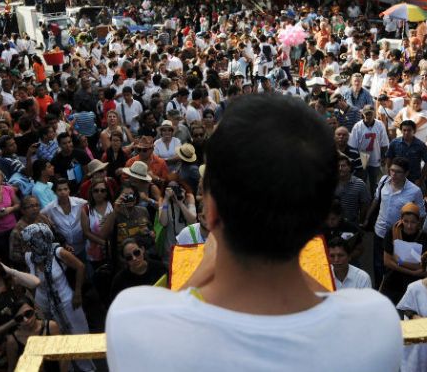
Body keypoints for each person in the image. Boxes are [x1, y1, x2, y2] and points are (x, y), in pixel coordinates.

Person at [106, 94, 403, 371]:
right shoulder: (377, 324)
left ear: (209, 211)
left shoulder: (131, 321)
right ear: (324, 215)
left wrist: (208, 263)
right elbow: (335, 306)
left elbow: (168, 313)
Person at [21, 224, 96, 372]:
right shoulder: (29, 257)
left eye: (30, 241)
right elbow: (31, 280)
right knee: (57, 338)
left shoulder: (58, 251)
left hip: (67, 301)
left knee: (77, 335)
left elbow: (80, 266)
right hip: (44, 305)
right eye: (27, 242)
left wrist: (78, 292)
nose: (28, 245)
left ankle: (87, 368)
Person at [368, 158, 425, 292]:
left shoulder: (415, 191)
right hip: (380, 231)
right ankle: (378, 291)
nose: (393, 174)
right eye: (392, 170)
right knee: (378, 264)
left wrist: (412, 232)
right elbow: (377, 200)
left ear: (406, 173)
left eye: (398, 172)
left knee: (397, 265)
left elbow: (421, 214)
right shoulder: (383, 181)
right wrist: (367, 218)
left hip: (399, 236)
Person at [380, 203, 427, 305]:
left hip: (414, 284)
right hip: (393, 281)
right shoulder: (392, 232)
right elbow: (387, 261)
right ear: (401, 220)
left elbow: (425, 267)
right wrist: (412, 272)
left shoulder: (425, 238)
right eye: (406, 221)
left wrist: (398, 262)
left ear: (419, 221)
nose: (409, 226)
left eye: (413, 222)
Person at [6, 296, 68, 372]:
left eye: (28, 314)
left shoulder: (51, 327)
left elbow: (63, 356)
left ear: (35, 309)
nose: (26, 320)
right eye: (20, 318)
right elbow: (12, 368)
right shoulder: (12, 341)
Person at [109, 238, 167, 305]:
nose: (134, 258)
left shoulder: (158, 267)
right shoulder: (120, 281)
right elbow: (116, 304)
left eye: (136, 253)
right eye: (129, 257)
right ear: (125, 260)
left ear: (142, 249)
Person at [348, 104, 389, 194]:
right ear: (362, 113)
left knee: (374, 182)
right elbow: (353, 145)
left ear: (374, 113)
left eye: (370, 113)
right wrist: (355, 160)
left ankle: (374, 200)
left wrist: (383, 157)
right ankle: (363, 200)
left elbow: (384, 143)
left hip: (375, 156)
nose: (368, 115)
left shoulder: (380, 125)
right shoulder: (357, 126)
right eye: (366, 113)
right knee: (362, 181)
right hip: (362, 157)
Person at [384, 120, 427, 185]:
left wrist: (421, 179)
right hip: (397, 179)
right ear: (401, 131)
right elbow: (389, 159)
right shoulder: (394, 143)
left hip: (414, 180)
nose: (406, 132)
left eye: (409, 130)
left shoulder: (421, 145)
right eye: (404, 130)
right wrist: (389, 175)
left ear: (414, 131)